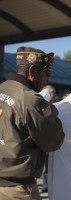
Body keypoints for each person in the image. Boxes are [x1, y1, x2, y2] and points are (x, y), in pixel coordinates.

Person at [0, 47, 65, 200]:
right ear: (33, 72)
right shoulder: (31, 100)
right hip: (17, 189)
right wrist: (55, 118)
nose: (47, 80)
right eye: (46, 73)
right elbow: (53, 142)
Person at [39, 84, 61, 193]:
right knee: (47, 168)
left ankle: (45, 186)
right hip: (48, 144)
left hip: (46, 144)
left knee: (47, 168)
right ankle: (45, 185)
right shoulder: (44, 106)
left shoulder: (47, 105)